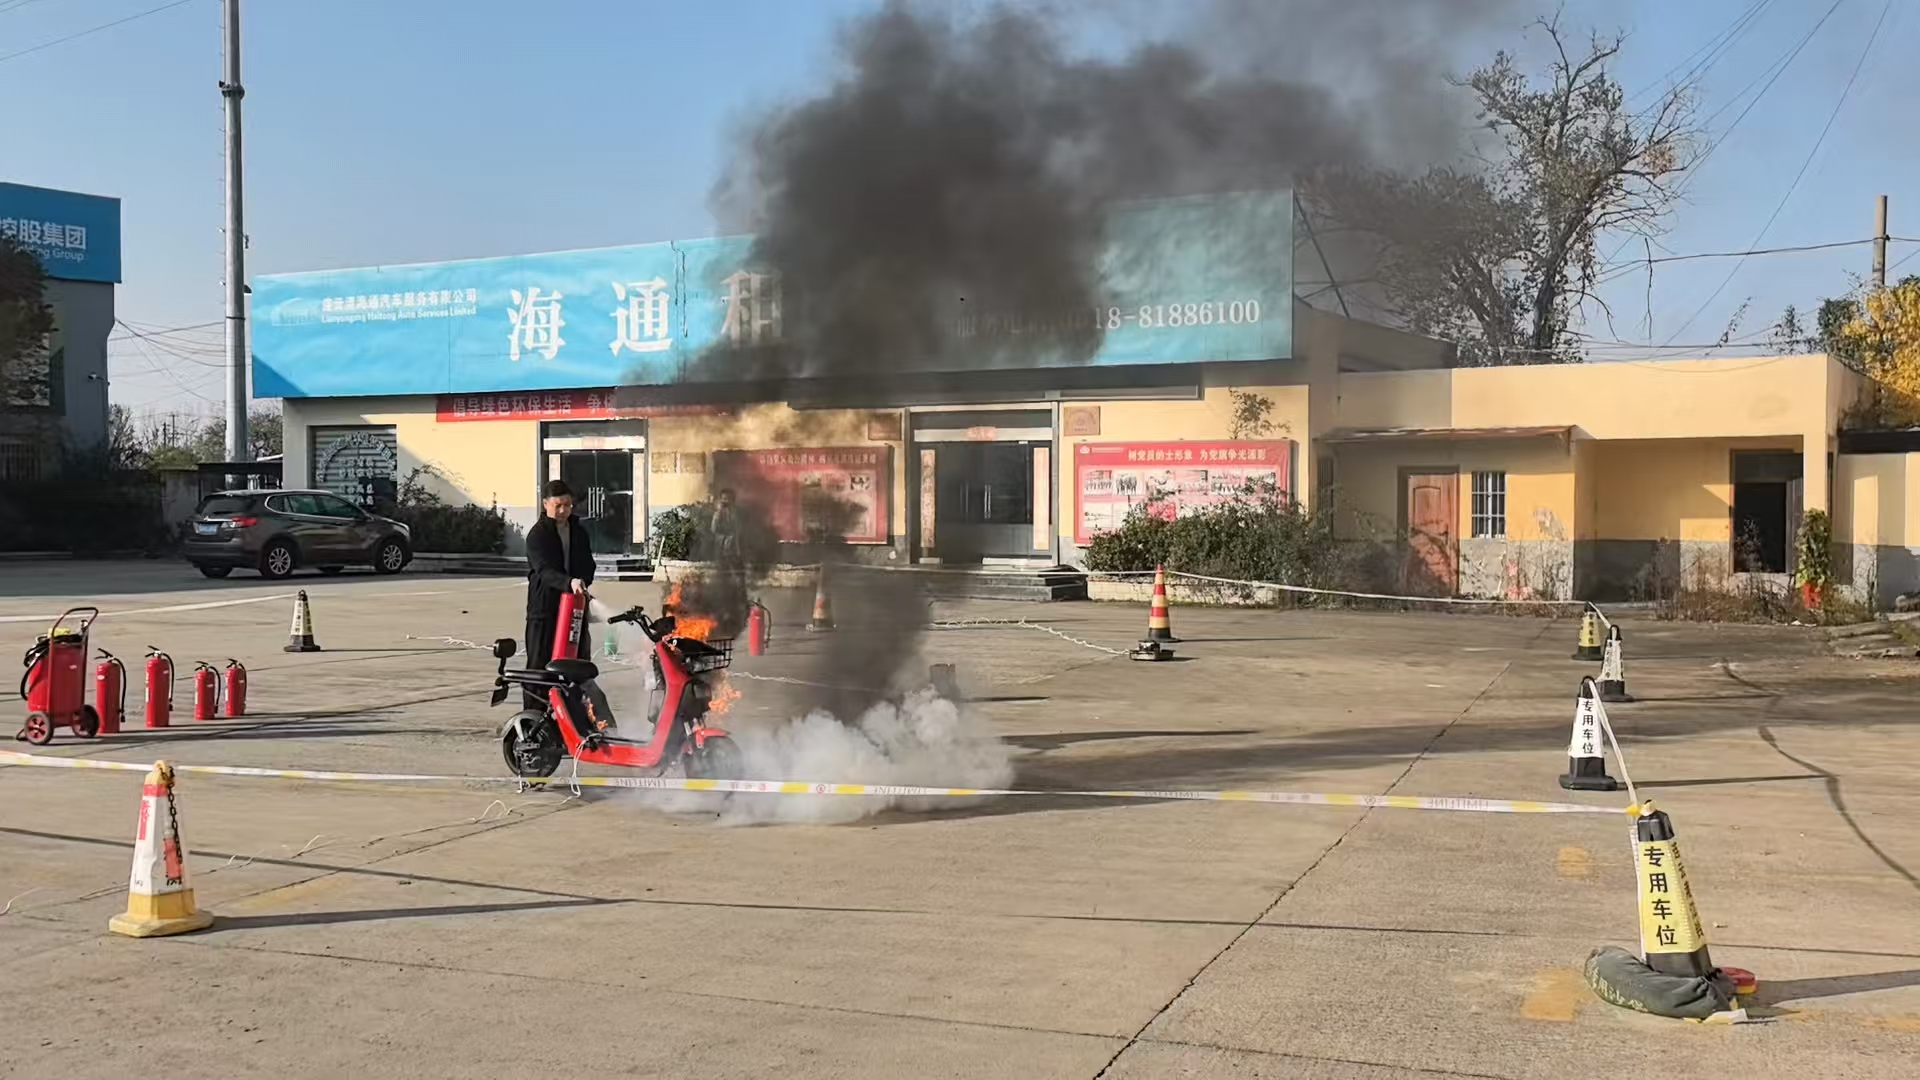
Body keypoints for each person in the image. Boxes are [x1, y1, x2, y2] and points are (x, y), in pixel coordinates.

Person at [523, 480, 595, 708]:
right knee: (539, 662)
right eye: (558, 505)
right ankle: (534, 715)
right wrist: (568, 582)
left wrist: (582, 582)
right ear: (545, 504)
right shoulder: (537, 535)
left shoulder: (579, 532)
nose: (563, 510)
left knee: (577, 660)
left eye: (568, 505)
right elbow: (544, 570)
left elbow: (588, 565)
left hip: (574, 607)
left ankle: (573, 712)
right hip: (544, 608)